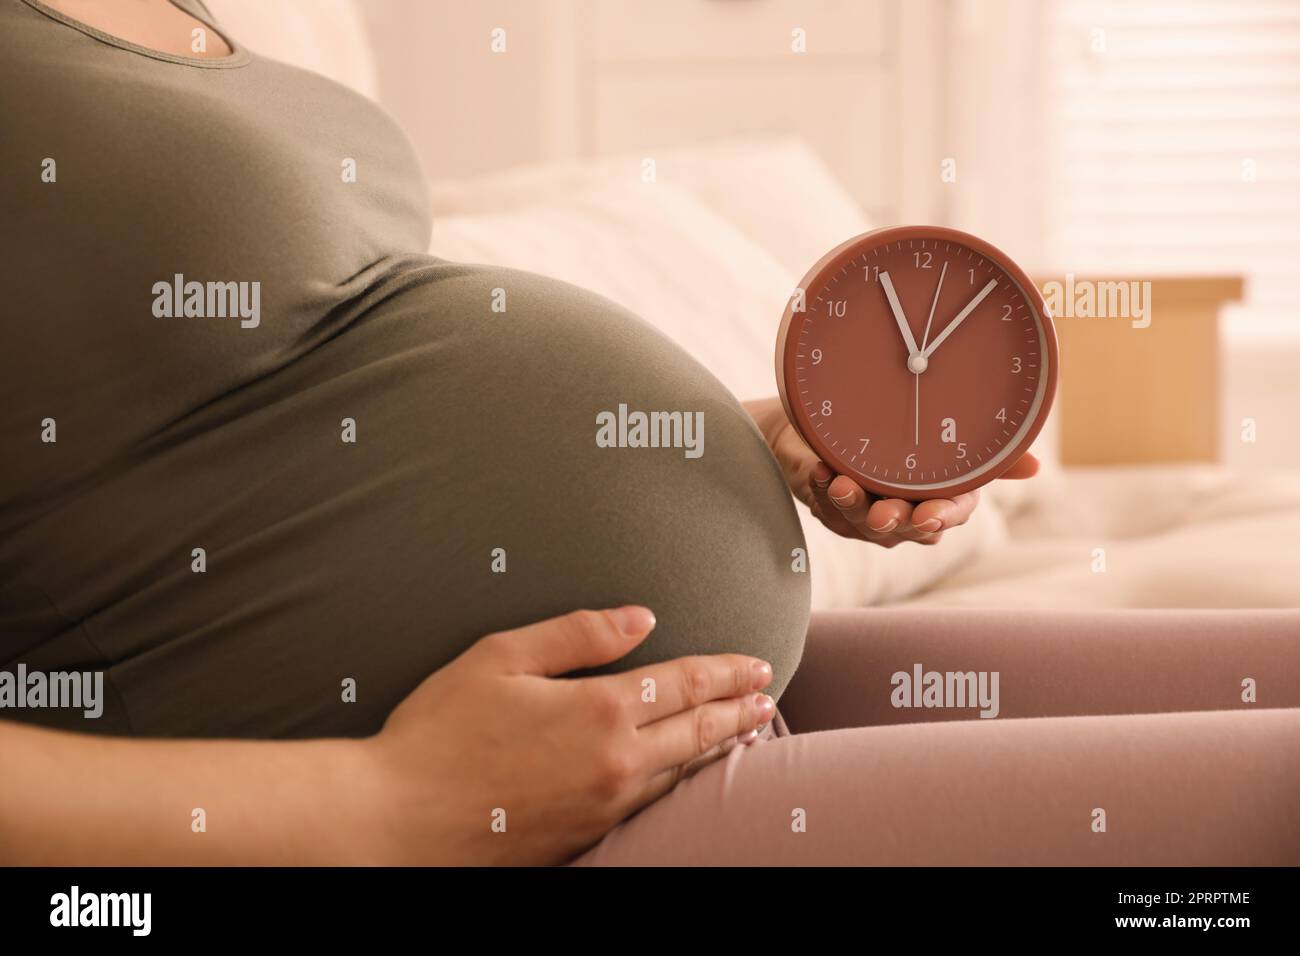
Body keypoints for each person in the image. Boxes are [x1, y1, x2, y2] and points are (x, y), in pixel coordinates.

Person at [2, 0, 1296, 866]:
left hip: (655, 705)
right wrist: (390, 807)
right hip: (470, 814)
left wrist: (743, 445)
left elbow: (301, 410)